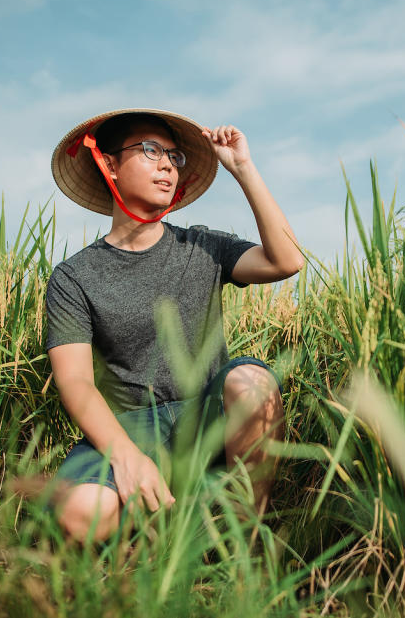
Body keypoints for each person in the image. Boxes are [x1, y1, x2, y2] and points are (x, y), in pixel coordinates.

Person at [45, 108, 303, 541]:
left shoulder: (201, 246)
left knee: (251, 383)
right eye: (149, 150)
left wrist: (242, 168)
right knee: (79, 514)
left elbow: (287, 260)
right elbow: (76, 383)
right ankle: (160, 533)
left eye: (173, 155)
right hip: (128, 427)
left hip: (204, 416)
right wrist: (127, 457)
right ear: (108, 163)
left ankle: (245, 543)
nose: (167, 163)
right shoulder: (75, 277)